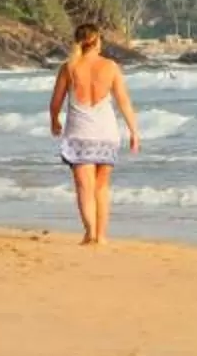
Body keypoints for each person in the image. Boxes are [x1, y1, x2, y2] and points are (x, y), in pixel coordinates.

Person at [49, 22, 140, 245]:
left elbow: (55, 102)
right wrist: (134, 131)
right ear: (98, 41)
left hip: (80, 134)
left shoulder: (69, 67)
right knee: (101, 186)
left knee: (84, 186)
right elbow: (124, 102)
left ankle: (89, 232)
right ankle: (101, 236)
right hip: (107, 134)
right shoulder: (111, 67)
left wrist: (54, 121)